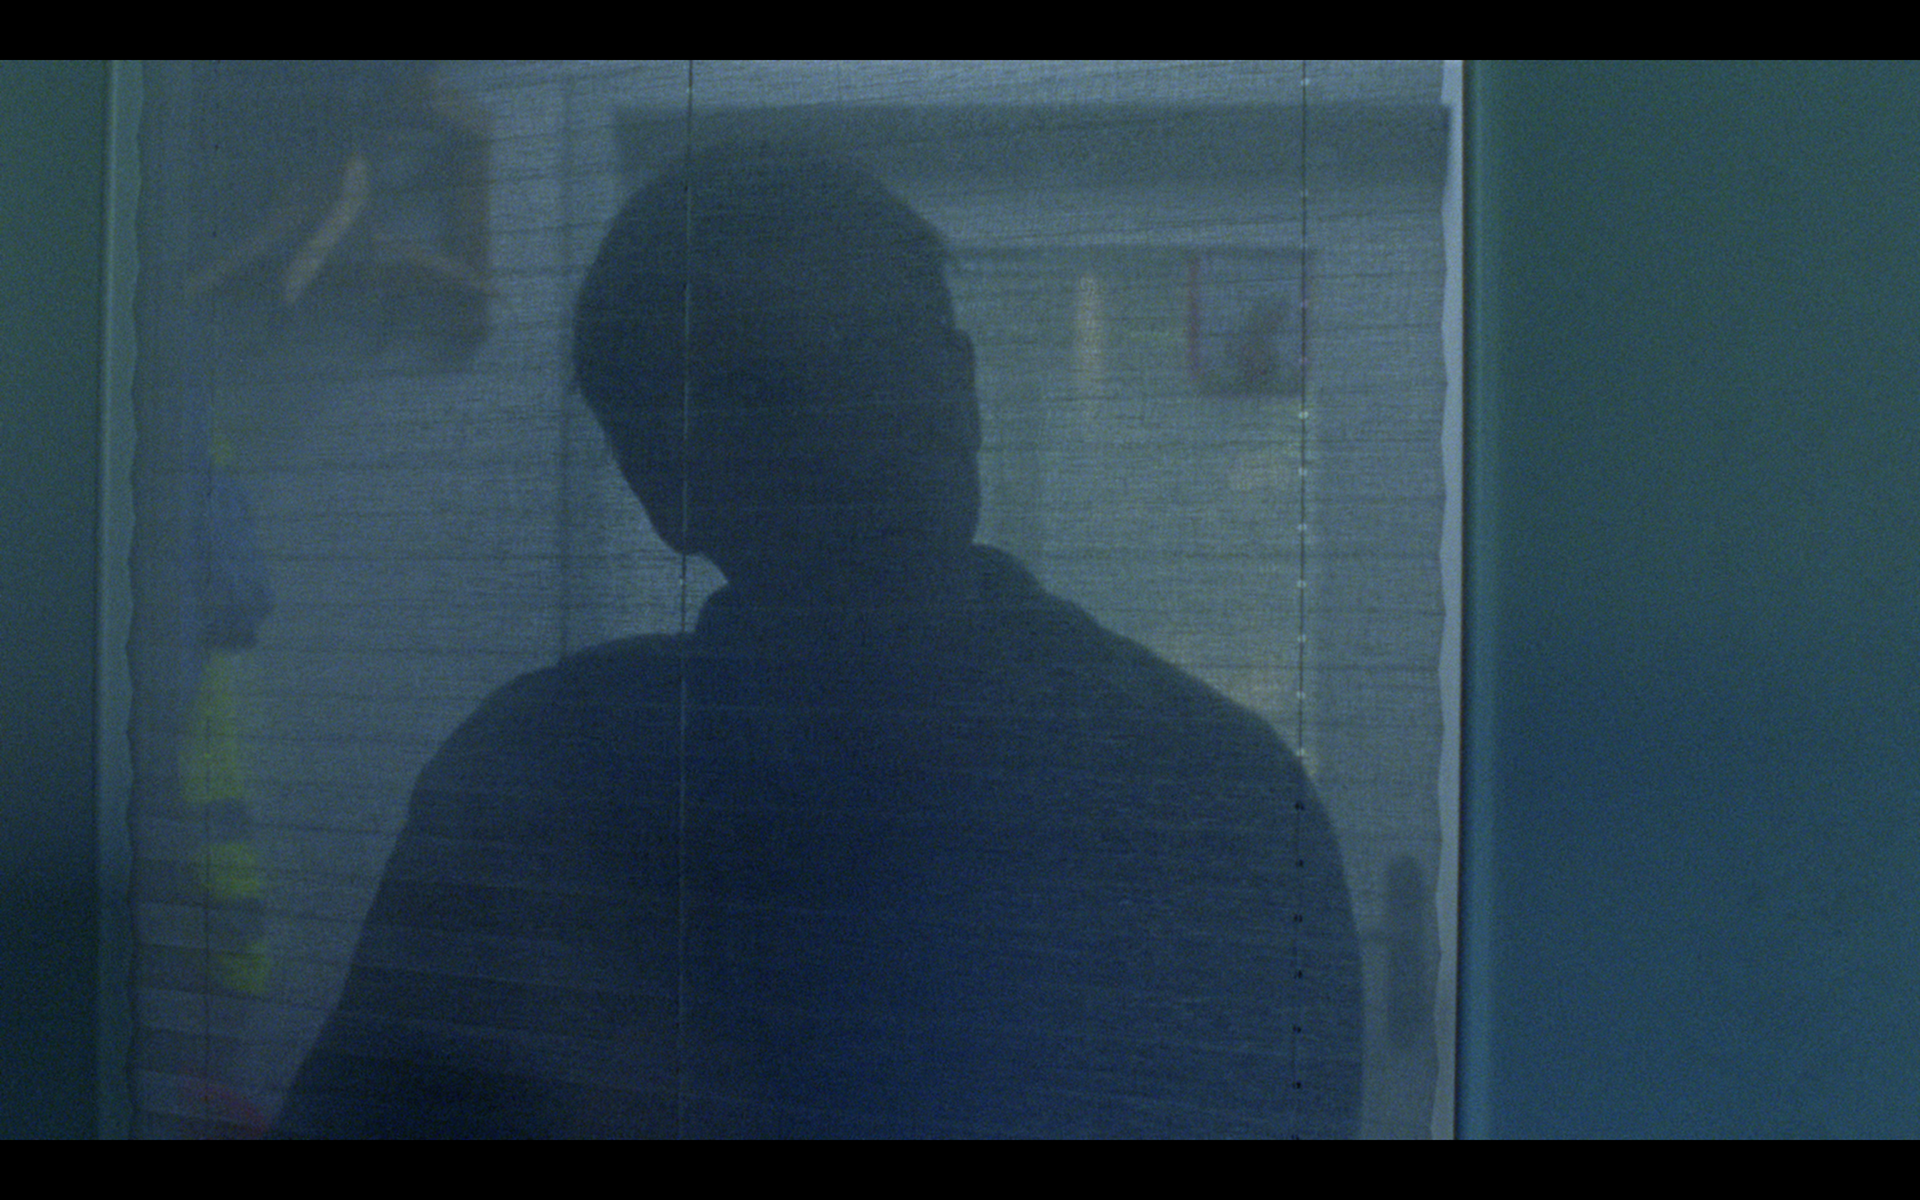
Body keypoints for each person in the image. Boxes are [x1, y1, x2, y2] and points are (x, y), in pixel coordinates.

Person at [274, 147, 1362, 1138]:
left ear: (962, 388)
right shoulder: (536, 783)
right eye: (762, 392)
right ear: (661, 482)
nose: (853, 428)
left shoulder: (1207, 798)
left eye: (880, 353)